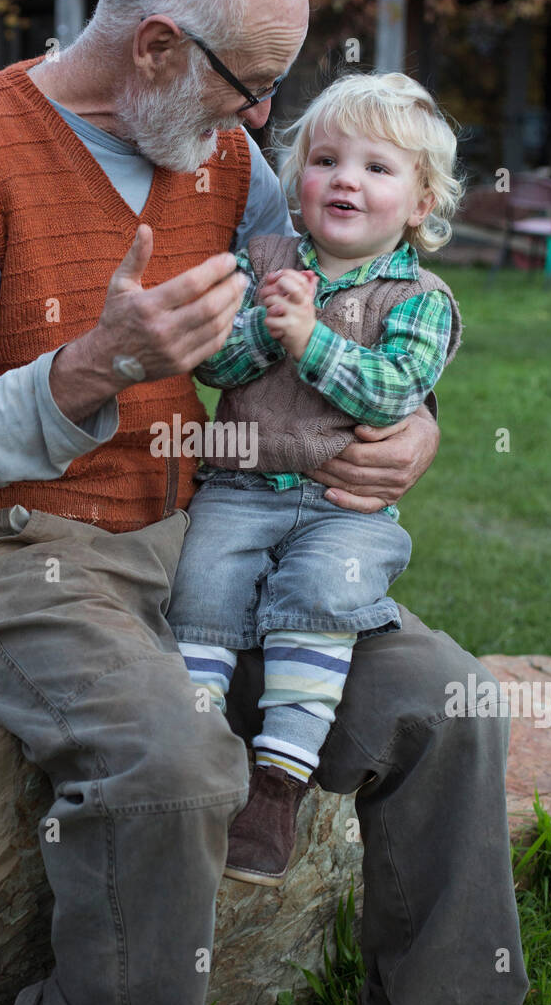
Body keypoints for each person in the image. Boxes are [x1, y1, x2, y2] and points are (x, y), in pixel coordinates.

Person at [0, 0, 528, 1005]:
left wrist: (411, 427)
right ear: (158, 46)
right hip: (13, 549)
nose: (266, 119)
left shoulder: (219, 156)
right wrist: (86, 369)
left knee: (445, 701)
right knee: (174, 767)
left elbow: (339, 314)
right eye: (252, 81)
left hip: (217, 532)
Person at [167, 70, 463, 889]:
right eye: (326, 159)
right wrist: (267, 325)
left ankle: (278, 782)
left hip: (345, 509)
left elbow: (392, 390)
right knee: (199, 588)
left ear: (419, 203)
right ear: (297, 182)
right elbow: (213, 361)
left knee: (321, 600)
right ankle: (198, 756)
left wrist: (309, 341)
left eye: (377, 167)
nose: (346, 179)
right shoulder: (257, 262)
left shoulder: (421, 298)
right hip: (239, 485)